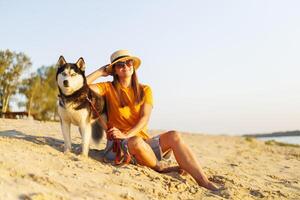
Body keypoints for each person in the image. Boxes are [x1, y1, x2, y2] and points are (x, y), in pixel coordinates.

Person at [87, 50, 218, 191]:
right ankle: (159, 167)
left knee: (174, 135)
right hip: (119, 146)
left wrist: (127, 134)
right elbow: (79, 88)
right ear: (114, 71)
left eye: (128, 62)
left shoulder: (145, 90)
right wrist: (100, 72)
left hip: (143, 144)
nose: (125, 66)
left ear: (133, 66)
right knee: (135, 141)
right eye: (120, 64)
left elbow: (145, 118)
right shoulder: (107, 88)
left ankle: (204, 181)